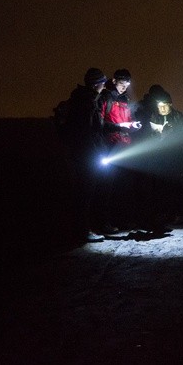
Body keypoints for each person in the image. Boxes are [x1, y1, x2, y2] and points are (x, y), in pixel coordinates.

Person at [64, 67, 108, 243]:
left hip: (82, 153)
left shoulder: (84, 99)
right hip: (87, 154)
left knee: (83, 192)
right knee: (85, 193)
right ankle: (82, 232)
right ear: (96, 84)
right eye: (103, 83)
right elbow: (88, 131)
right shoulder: (87, 102)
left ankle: (81, 230)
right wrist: (97, 151)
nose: (104, 86)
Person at [134, 85, 183, 229]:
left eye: (165, 105)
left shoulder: (177, 116)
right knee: (160, 187)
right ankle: (161, 213)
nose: (162, 108)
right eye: (160, 106)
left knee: (174, 186)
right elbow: (145, 135)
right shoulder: (153, 116)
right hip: (159, 158)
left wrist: (173, 133)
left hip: (175, 157)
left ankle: (175, 213)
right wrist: (156, 135)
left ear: (170, 104)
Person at [99, 69, 142, 231]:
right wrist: (119, 126)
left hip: (124, 145)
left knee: (123, 186)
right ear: (114, 80)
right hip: (110, 146)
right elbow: (100, 123)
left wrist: (133, 125)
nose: (124, 87)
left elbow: (129, 119)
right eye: (122, 83)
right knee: (108, 186)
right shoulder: (106, 97)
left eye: (127, 84)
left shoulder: (125, 99)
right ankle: (105, 222)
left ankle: (122, 220)